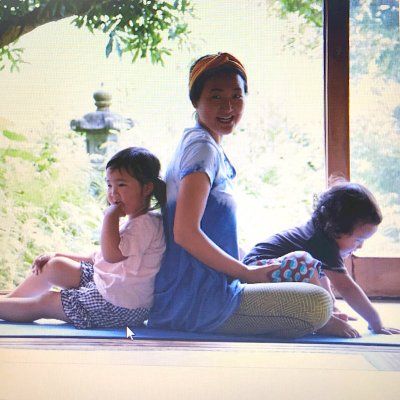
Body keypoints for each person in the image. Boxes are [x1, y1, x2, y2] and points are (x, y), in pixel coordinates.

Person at [147, 52, 333, 339]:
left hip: (214, 286)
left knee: (303, 262)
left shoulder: (203, 144)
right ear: (195, 101)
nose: (228, 107)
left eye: (236, 96)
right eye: (216, 96)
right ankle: (318, 321)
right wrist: (245, 273)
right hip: (200, 300)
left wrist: (247, 266)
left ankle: (312, 320)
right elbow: (185, 233)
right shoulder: (201, 148)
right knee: (317, 304)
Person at [0, 147, 166, 329]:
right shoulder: (135, 222)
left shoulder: (145, 225)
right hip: (108, 285)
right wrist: (56, 255)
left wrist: (109, 217)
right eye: (109, 185)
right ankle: (9, 302)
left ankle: (5, 307)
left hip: (119, 306)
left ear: (146, 188)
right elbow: (97, 258)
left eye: (121, 185)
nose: (113, 193)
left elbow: (112, 255)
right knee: (54, 265)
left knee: (47, 301)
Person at [243, 177, 400, 337]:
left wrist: (332, 307)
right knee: (303, 260)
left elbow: (320, 278)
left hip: (262, 278)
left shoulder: (321, 234)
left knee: (315, 268)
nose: (360, 246)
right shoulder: (321, 242)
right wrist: (376, 323)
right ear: (337, 227)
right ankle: (324, 321)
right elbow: (346, 288)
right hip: (256, 274)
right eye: (358, 240)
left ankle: (328, 313)